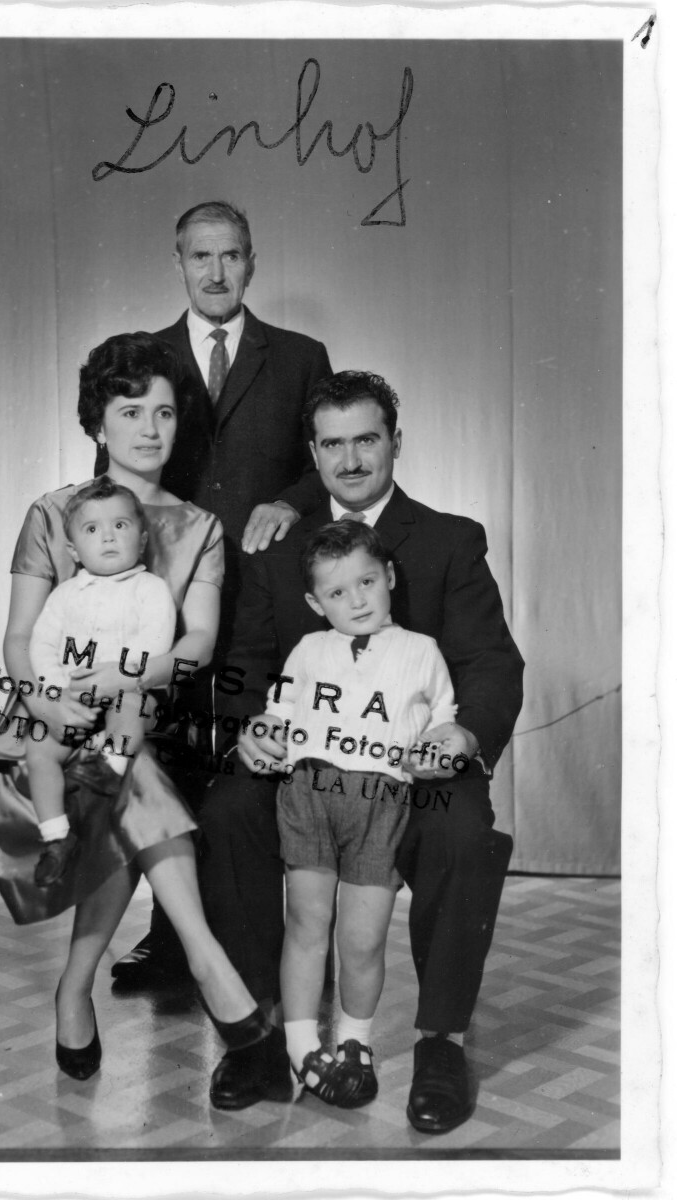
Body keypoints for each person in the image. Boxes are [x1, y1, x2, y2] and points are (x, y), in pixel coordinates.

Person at [199, 371, 524, 1128]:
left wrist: (462, 735)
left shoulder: (448, 539)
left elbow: (490, 664)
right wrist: (252, 725)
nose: (350, 461)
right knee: (228, 814)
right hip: (306, 766)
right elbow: (243, 664)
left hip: (413, 765)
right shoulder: (278, 546)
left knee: (459, 830)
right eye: (333, 444)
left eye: (366, 440)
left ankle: (438, 1041)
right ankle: (258, 1032)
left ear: (394, 443)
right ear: (311, 453)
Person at [0, 332, 291, 1110]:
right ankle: (208, 963)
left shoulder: (199, 527)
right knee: (134, 784)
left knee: (134, 770)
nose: (151, 428)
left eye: (163, 412)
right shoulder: (54, 514)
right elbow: (21, 638)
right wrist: (47, 697)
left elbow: (195, 641)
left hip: (144, 723)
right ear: (98, 424)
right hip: (44, 724)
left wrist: (132, 678)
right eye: (130, 412)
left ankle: (74, 988)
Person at [111, 198, 334, 988]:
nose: (214, 271)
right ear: (178, 261)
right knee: (164, 759)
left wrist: (289, 502)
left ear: (251, 261)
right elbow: (118, 465)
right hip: (165, 595)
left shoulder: (300, 355)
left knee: (239, 764)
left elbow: (327, 462)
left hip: (261, 599)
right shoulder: (147, 355)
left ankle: (248, 944)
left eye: (229, 255)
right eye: (199, 256)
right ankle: (171, 939)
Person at [265, 520, 456, 1108]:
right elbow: (278, 714)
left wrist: (441, 745)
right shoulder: (308, 649)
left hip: (381, 802)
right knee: (305, 923)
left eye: (367, 582)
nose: (357, 600)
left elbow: (444, 721)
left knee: (363, 938)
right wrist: (268, 731)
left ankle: (354, 1043)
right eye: (337, 592)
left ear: (389, 577)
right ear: (313, 602)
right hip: (308, 793)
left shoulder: (421, 652)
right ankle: (301, 1047)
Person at [25, 476, 177, 886]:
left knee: (131, 706)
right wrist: (58, 691)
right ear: (74, 550)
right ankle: (57, 836)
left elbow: (155, 644)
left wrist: (116, 679)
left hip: (130, 692)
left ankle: (111, 766)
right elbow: (41, 645)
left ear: (142, 540)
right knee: (38, 748)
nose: (108, 537)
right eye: (93, 530)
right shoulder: (65, 595)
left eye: (121, 527)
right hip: (75, 698)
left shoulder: (151, 589)